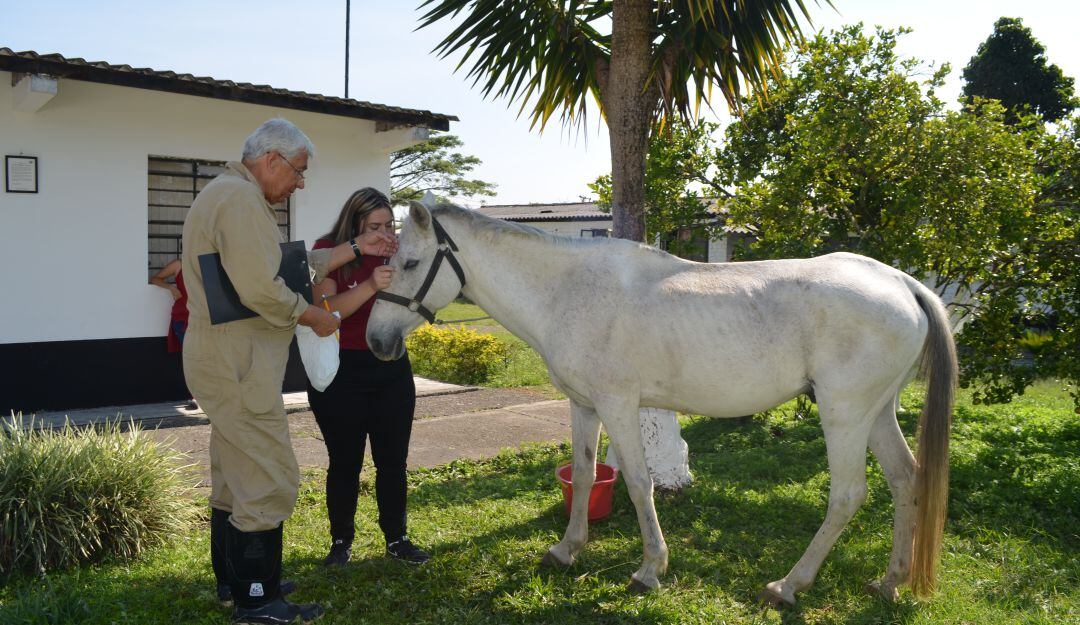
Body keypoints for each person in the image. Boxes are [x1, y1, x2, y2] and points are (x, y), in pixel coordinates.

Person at [181, 119, 397, 624]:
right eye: (298, 171)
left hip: (227, 358)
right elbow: (264, 288)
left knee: (235, 472)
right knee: (268, 474)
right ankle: (260, 600)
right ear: (272, 159)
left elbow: (287, 266)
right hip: (238, 362)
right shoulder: (240, 200)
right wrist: (318, 316)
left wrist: (356, 249)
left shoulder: (228, 193)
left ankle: (237, 583)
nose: (300, 182)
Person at [309, 188, 430, 569]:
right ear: (355, 225)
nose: (384, 233)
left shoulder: (396, 251)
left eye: (388, 224)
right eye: (373, 226)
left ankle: (397, 538)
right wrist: (369, 284)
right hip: (343, 371)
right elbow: (325, 313)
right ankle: (341, 542)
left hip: (391, 367)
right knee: (344, 462)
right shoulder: (328, 251)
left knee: (393, 461)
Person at [149, 258, 197, 409]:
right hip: (182, 317)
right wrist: (171, 287)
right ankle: (195, 397)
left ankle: (204, 396)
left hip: (201, 318)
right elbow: (155, 278)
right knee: (192, 357)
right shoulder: (179, 264)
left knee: (205, 357)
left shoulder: (206, 262)